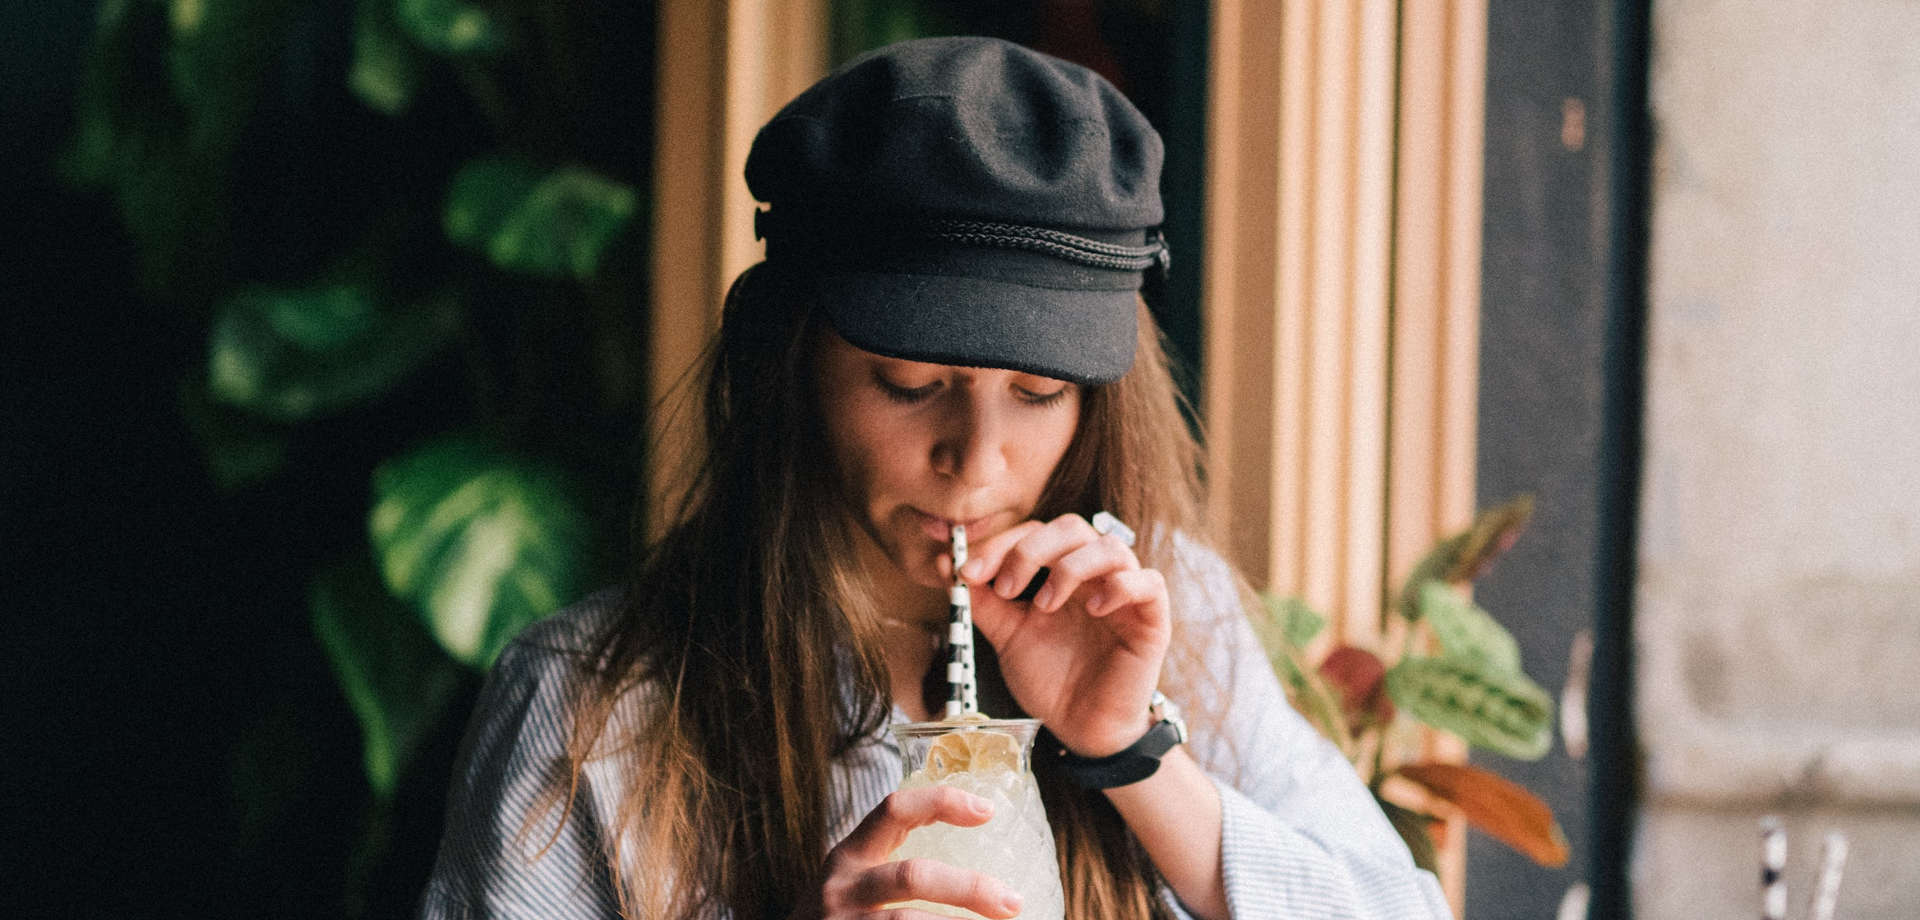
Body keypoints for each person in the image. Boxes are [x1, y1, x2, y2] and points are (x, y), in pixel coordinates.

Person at [422, 36, 1451, 920]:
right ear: (794, 366)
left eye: (1040, 393)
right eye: (911, 382)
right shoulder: (597, 706)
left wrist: (1133, 752)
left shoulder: (1173, 617)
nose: (977, 454)